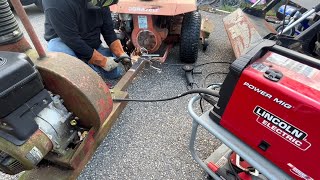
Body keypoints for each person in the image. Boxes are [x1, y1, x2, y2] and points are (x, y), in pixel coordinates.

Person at [42, 0, 131, 80]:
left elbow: (108, 31)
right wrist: (102, 61)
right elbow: (72, 39)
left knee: (114, 73)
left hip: (90, 42)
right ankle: (81, 69)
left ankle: (88, 65)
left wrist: (120, 53)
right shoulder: (56, 2)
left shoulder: (101, 2)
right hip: (64, 42)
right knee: (76, 75)